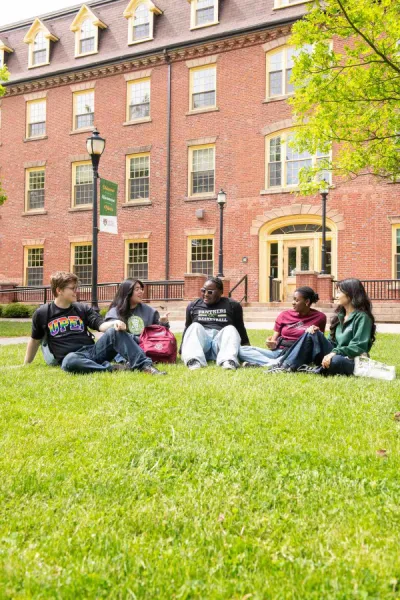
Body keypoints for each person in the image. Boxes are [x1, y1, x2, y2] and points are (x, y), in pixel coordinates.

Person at [24, 271, 166, 375]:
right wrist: (26, 364)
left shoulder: (82, 308)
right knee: (69, 362)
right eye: (72, 288)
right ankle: (112, 368)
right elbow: (34, 340)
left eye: (76, 288)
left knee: (114, 332)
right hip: (71, 356)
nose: (76, 291)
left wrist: (115, 323)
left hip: (93, 351)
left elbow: (100, 325)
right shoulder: (43, 313)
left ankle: (145, 367)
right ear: (59, 290)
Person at [267, 278, 376, 376]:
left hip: (351, 358)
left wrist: (334, 353)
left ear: (351, 294)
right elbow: (331, 342)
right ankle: (285, 366)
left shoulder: (362, 317)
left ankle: (306, 368)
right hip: (335, 353)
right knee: (311, 332)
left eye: (339, 292)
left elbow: (358, 347)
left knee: (336, 361)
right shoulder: (340, 316)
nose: (336, 295)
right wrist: (318, 335)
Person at [239, 287, 326, 367]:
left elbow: (317, 341)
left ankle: (268, 362)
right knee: (242, 350)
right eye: (293, 299)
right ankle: (273, 363)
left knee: (293, 358)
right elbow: (273, 340)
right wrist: (271, 342)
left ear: (307, 302)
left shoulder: (319, 317)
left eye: (296, 300)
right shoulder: (284, 315)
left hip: (298, 353)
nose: (293, 303)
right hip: (279, 351)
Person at [181, 276, 250, 370]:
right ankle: (194, 360)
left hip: (220, 345)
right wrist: (181, 349)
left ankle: (228, 361)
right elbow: (187, 328)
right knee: (194, 326)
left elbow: (240, 327)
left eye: (210, 292)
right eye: (203, 290)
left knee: (231, 329)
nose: (205, 294)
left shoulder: (233, 305)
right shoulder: (193, 306)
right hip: (202, 344)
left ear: (221, 292)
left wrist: (246, 346)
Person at [105, 278, 169, 341]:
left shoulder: (150, 312)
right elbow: (113, 337)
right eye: (137, 289)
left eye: (141, 289)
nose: (141, 291)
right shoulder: (114, 313)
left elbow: (161, 336)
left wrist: (163, 323)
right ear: (127, 292)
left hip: (146, 348)